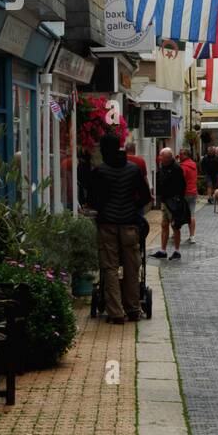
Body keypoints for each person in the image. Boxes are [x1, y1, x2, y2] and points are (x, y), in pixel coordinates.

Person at [86, 133, 150, 324]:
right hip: (130, 224)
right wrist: (131, 205)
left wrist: (104, 206)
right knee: (132, 266)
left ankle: (116, 312)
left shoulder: (100, 171)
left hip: (107, 225)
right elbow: (146, 197)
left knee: (110, 267)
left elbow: (92, 200)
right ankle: (133, 308)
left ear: (105, 150)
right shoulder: (133, 169)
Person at [152, 147, 188, 261]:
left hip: (173, 202)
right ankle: (163, 250)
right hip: (165, 201)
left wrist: (177, 201)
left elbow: (182, 186)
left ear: (167, 157)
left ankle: (177, 251)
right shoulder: (163, 166)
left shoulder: (176, 168)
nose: (159, 158)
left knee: (175, 226)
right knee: (164, 225)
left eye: (161, 156)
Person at [180, 148, 199, 245]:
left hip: (185, 193)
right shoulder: (194, 165)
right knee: (191, 215)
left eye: (181, 154)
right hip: (193, 192)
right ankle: (192, 236)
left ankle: (176, 234)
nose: (179, 156)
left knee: (178, 214)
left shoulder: (183, 166)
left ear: (185, 155)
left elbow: (180, 180)